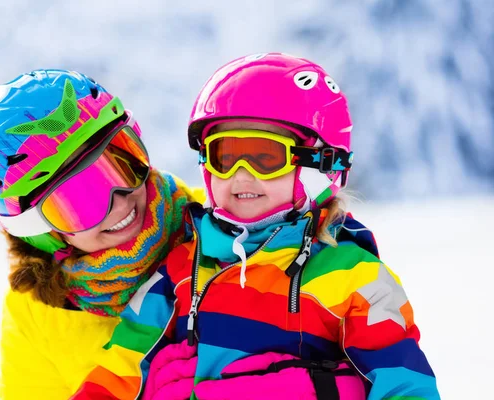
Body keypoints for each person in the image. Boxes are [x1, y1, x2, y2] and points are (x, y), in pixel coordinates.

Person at [70, 53, 440, 400]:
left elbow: (403, 384)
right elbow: (118, 371)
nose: (241, 175)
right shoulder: (181, 270)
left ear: (320, 165)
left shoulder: (355, 279)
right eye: (225, 156)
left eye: (265, 157)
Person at [0, 69, 204, 400]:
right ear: (39, 232)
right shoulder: (40, 310)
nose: (120, 203)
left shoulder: (225, 234)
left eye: (123, 162)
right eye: (81, 201)